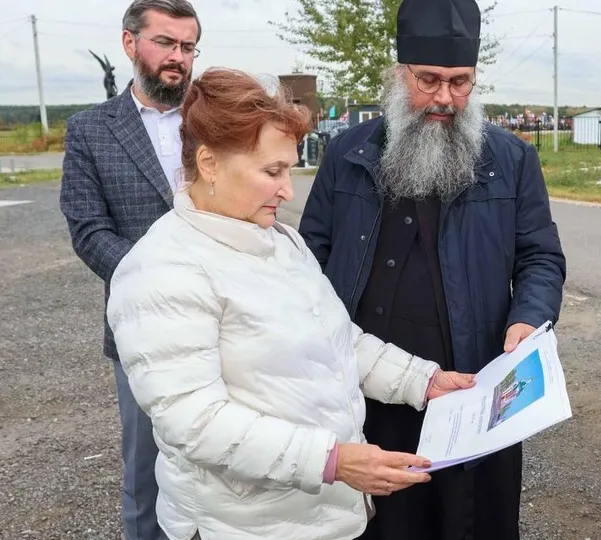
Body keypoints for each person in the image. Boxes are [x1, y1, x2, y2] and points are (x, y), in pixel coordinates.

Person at [105, 66, 477, 540]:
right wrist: (332, 460)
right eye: (272, 171)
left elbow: (337, 339)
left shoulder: (280, 241)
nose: (288, 189)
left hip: (320, 516)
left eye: (290, 168)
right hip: (241, 526)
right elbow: (194, 421)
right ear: (210, 163)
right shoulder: (162, 270)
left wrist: (423, 381)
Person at [297, 0, 567, 538]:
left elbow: (541, 257)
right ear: (401, 76)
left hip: (470, 384)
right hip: (371, 385)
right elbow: (310, 255)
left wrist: (528, 317)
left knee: (471, 520)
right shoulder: (347, 153)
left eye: (460, 82)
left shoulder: (511, 160)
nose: (445, 97)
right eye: (429, 80)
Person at [59, 1, 201, 538]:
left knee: (231, 462)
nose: (178, 58)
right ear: (129, 44)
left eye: (187, 47)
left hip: (229, 319)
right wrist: (162, 283)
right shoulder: (91, 130)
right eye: (165, 43)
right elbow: (90, 232)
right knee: (148, 473)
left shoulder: (217, 116)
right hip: (144, 328)